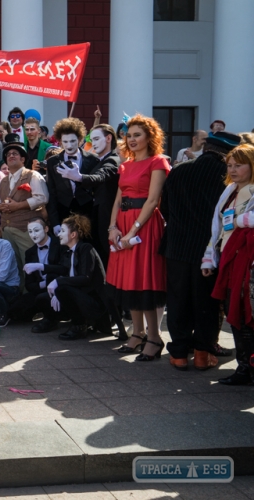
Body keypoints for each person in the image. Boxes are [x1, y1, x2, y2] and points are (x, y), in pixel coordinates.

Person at [163, 132, 238, 371]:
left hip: (176, 245)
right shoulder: (228, 178)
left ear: (206, 147)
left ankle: (178, 354)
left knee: (177, 300)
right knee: (206, 302)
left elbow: (165, 208)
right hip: (208, 249)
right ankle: (203, 354)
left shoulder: (179, 170)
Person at [107, 114, 170, 361]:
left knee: (145, 281)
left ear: (149, 137)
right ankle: (139, 333)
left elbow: (153, 200)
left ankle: (154, 337)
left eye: (137, 135)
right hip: (123, 225)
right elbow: (117, 200)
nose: (131, 139)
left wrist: (133, 230)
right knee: (128, 281)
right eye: (129, 135)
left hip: (145, 226)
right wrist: (113, 227)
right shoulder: (125, 165)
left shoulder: (158, 162)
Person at [202, 143, 254, 384]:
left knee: (247, 315)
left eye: (238, 165)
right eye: (230, 165)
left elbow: (236, 222)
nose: (232, 170)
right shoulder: (229, 190)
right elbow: (218, 228)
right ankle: (245, 368)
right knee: (235, 314)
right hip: (230, 261)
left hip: (250, 265)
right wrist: (210, 256)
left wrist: (242, 220)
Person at [43, 214, 111, 340]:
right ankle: (59, 320)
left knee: (62, 288)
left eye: (63, 231)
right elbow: (63, 269)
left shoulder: (86, 248)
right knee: (44, 297)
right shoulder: (68, 252)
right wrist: (42, 268)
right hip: (82, 296)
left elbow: (85, 278)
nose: (59, 234)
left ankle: (79, 326)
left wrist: (59, 282)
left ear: (73, 235)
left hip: (95, 302)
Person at [0, 137, 49, 280]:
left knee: (30, 265)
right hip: (6, 230)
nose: (11, 156)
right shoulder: (2, 181)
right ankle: (18, 296)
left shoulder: (33, 175)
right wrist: (1, 206)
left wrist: (18, 205)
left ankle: (32, 296)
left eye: (15, 153)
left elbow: (42, 197)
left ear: (23, 159)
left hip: (26, 229)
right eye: (8, 154)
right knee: (14, 268)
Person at [71, 124, 122, 267]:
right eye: (92, 139)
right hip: (98, 215)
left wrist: (79, 177)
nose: (93, 143)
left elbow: (101, 176)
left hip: (109, 216)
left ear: (108, 138)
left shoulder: (113, 160)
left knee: (108, 256)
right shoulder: (99, 160)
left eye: (97, 138)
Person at [44, 118, 99, 235]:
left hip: (86, 211)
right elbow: (51, 193)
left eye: (73, 141)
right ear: (60, 141)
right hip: (62, 211)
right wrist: (55, 223)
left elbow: (96, 187)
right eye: (65, 141)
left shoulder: (92, 159)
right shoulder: (52, 162)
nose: (69, 145)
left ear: (80, 139)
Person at [18, 217, 65, 329]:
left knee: (43, 296)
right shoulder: (30, 252)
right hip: (41, 287)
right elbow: (29, 284)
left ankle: (51, 320)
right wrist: (44, 284)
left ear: (46, 229)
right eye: (30, 231)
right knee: (16, 310)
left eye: (36, 230)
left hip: (59, 286)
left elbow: (64, 269)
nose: (33, 234)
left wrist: (41, 267)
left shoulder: (60, 245)